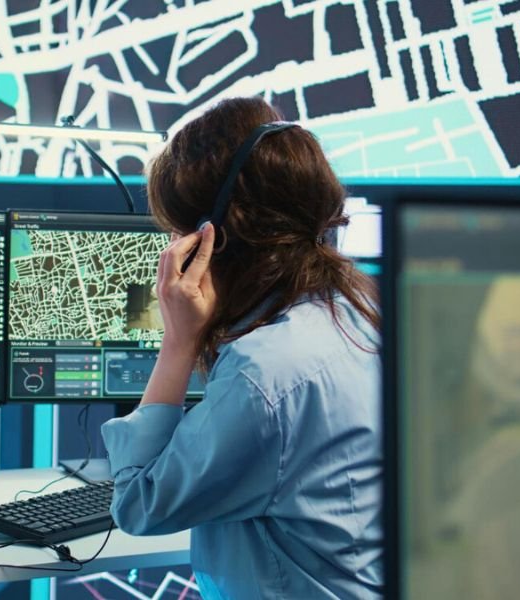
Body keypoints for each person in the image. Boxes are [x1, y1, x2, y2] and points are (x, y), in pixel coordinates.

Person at [101, 97, 383, 599]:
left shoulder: (267, 373)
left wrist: (179, 340)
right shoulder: (361, 308)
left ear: (208, 245)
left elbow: (141, 505)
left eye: (176, 234)